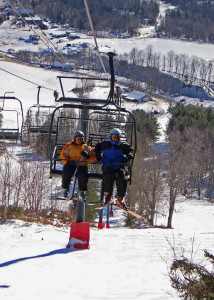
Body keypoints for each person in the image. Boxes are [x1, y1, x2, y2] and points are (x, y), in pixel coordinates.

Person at [94, 128, 133, 209]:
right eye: (113, 136)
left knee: (122, 179)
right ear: (110, 136)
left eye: (117, 137)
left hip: (119, 166)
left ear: (119, 138)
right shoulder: (105, 144)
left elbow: (131, 151)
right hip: (108, 166)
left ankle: (120, 198)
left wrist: (127, 157)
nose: (115, 138)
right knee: (108, 176)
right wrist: (98, 157)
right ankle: (109, 194)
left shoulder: (122, 146)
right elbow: (97, 147)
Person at [60, 131, 96, 201]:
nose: (79, 140)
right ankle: (65, 189)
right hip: (71, 162)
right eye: (77, 139)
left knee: (82, 174)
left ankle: (82, 191)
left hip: (82, 164)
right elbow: (63, 154)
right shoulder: (69, 145)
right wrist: (66, 161)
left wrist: (87, 156)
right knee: (66, 172)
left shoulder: (86, 147)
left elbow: (92, 159)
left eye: (81, 139)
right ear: (74, 139)